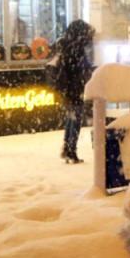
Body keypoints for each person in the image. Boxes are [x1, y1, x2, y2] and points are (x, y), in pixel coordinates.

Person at [54, 19, 95, 164]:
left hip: (67, 88)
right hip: (75, 88)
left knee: (71, 118)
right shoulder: (77, 48)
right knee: (76, 119)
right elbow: (82, 68)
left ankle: (67, 148)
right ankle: (71, 150)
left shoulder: (65, 45)